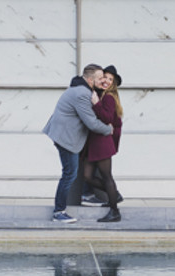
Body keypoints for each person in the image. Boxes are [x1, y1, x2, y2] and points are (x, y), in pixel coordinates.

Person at [43, 64, 114, 223]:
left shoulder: (82, 88)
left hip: (66, 134)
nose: (103, 80)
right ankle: (58, 212)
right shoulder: (82, 93)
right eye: (100, 78)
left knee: (77, 167)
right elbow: (91, 122)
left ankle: (86, 194)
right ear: (90, 80)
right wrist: (108, 129)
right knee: (69, 173)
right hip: (65, 138)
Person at [82, 65, 124, 222]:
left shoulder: (108, 97)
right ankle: (114, 193)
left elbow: (106, 118)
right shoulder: (101, 95)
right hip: (95, 141)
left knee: (107, 177)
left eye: (110, 79)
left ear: (113, 84)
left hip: (102, 142)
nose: (106, 81)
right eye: (105, 77)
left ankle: (114, 211)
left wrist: (96, 103)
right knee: (87, 176)